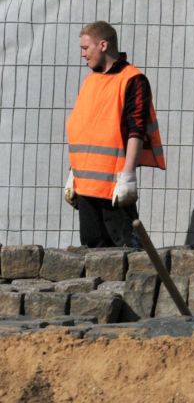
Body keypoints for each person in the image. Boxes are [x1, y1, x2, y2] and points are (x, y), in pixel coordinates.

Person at [66, 21, 165, 249]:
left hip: (113, 186)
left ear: (102, 45)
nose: (82, 54)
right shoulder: (91, 82)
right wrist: (73, 172)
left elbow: (136, 130)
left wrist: (128, 175)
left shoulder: (133, 80)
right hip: (86, 186)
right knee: (92, 246)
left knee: (126, 249)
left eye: (85, 48)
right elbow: (84, 128)